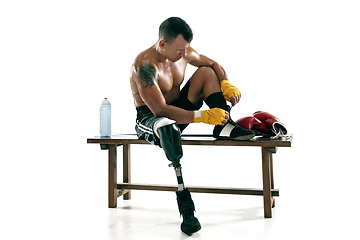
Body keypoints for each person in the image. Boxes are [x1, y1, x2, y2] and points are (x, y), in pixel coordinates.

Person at [130, 17, 255, 235]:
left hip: (179, 111)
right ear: (162, 44)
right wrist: (201, 116)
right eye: (179, 50)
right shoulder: (145, 66)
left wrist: (225, 82)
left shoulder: (184, 52)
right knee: (167, 126)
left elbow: (214, 65)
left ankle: (225, 127)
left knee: (206, 72)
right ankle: (185, 203)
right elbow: (159, 109)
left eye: (185, 48)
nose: (183, 54)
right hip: (151, 118)